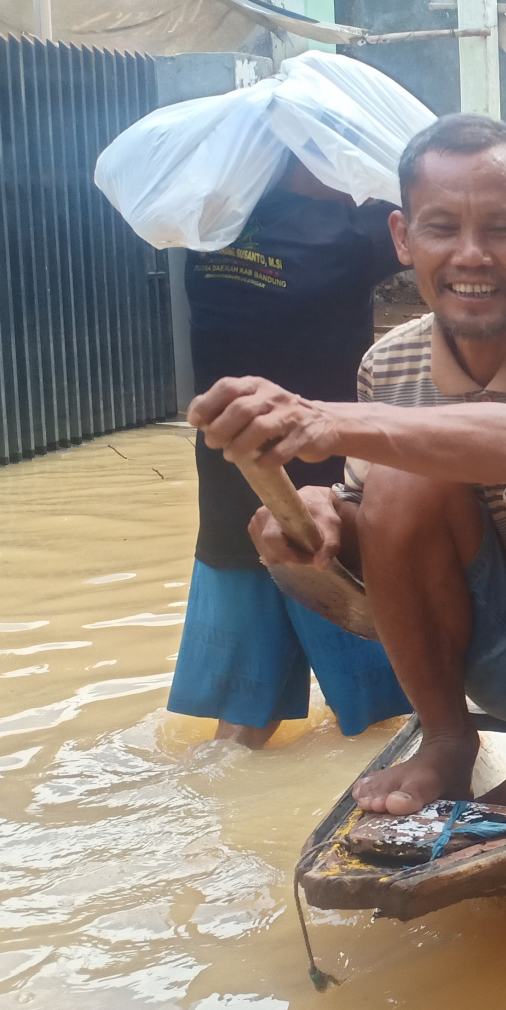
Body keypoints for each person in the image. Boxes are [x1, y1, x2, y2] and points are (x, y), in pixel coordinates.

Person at [188, 113, 506, 823]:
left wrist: (324, 420)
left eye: (500, 228)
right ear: (403, 239)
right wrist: (316, 517)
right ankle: (447, 739)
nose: (471, 255)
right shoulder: (388, 364)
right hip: (489, 651)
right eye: (441, 228)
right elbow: (379, 514)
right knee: (397, 477)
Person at [166, 158, 413, 748]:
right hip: (325, 499)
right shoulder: (349, 236)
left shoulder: (210, 230)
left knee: (244, 723)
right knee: (384, 709)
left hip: (230, 476)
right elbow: (420, 233)